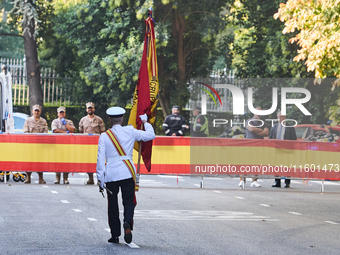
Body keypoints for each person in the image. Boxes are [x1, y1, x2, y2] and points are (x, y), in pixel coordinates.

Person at [96, 107, 155, 244]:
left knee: (112, 205)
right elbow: (151, 135)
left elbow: (100, 159)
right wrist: (145, 121)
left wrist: (100, 178)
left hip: (111, 175)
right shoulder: (130, 131)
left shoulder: (104, 136)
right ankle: (127, 221)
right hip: (127, 172)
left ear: (109, 120)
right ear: (122, 119)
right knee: (129, 202)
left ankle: (115, 235)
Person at [240, 106, 269, 188]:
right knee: (246, 163)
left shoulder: (264, 122)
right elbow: (251, 129)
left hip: (259, 146)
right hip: (249, 145)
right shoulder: (249, 121)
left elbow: (266, 132)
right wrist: (261, 130)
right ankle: (242, 179)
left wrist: (257, 130)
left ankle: (254, 180)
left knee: (257, 163)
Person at [79, 102, 105, 184]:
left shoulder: (99, 119)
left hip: (96, 144)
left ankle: (99, 179)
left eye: (91, 108)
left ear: (94, 109)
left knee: (98, 161)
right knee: (88, 161)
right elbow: (80, 131)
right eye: (88, 108)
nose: (90, 109)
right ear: (86, 110)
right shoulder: (83, 120)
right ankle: (90, 178)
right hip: (86, 145)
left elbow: (102, 131)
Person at [269, 111, 297, 188]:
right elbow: (271, 137)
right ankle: (277, 182)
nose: (280, 118)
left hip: (287, 150)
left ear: (285, 117)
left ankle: (287, 182)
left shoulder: (290, 127)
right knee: (276, 166)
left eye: (282, 116)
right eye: (279, 117)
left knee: (287, 166)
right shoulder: (274, 126)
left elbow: (294, 139)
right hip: (276, 149)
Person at [23, 104, 48, 184]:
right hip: (30, 145)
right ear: (32, 111)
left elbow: (45, 133)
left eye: (38, 111)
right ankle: (28, 177)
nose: (36, 112)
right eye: (35, 110)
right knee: (29, 161)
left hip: (40, 145)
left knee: (40, 161)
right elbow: (26, 132)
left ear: (40, 112)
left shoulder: (43, 121)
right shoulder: (28, 121)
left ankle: (41, 178)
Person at [51, 106, 76, 184]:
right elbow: (55, 130)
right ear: (58, 113)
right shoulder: (55, 121)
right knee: (57, 160)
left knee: (66, 160)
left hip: (67, 144)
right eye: (60, 113)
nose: (61, 114)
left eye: (63, 112)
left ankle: (66, 178)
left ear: (65, 113)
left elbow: (72, 130)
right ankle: (57, 178)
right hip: (57, 144)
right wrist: (66, 133)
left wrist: (66, 124)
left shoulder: (69, 121)